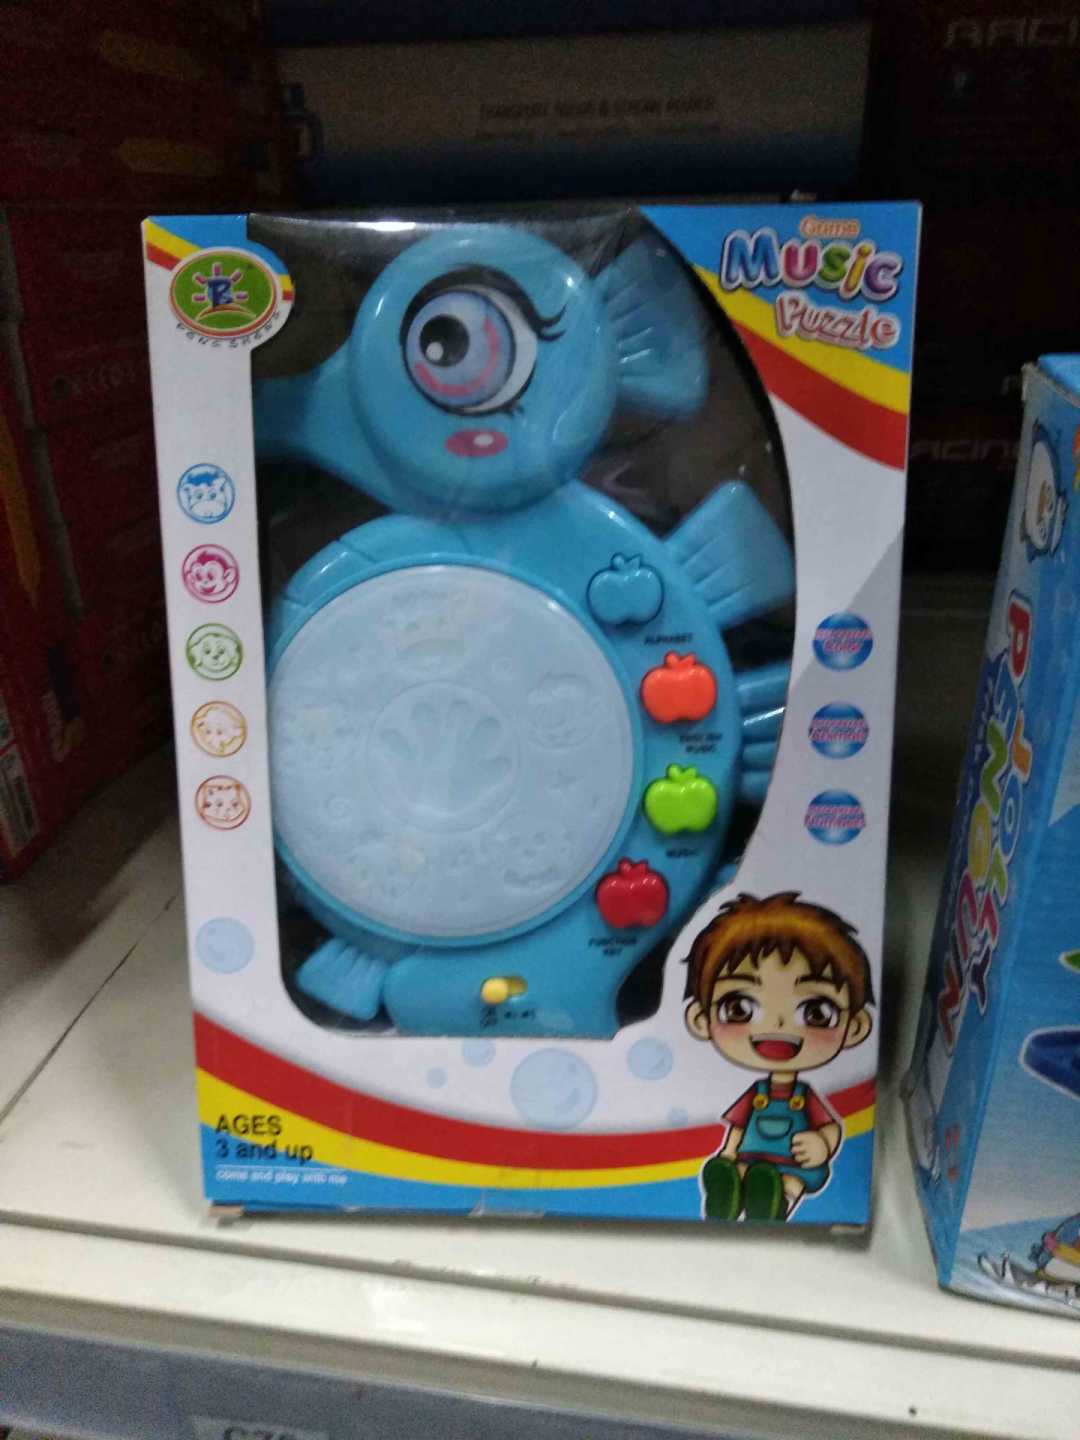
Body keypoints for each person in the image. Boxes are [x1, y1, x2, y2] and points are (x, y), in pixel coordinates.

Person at [684, 891, 874, 1221]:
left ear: (855, 1027)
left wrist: (823, 1146)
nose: (778, 1026)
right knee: (741, 1172)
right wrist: (728, 1154)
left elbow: (830, 1127)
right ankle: (728, 1195)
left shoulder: (805, 1096)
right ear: (701, 1019)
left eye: (816, 1012)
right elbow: (738, 1128)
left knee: (790, 1182)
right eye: (739, 1008)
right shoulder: (756, 1094)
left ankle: (776, 1204)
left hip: (795, 1164)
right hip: (750, 1159)